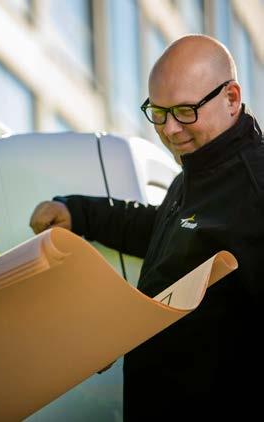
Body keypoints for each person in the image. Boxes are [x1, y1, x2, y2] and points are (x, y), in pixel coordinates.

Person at [30, 34, 263, 420]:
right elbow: (165, 229)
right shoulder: (196, 172)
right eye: (158, 112)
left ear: (232, 98)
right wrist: (78, 213)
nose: (170, 129)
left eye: (186, 111)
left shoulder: (256, 187)